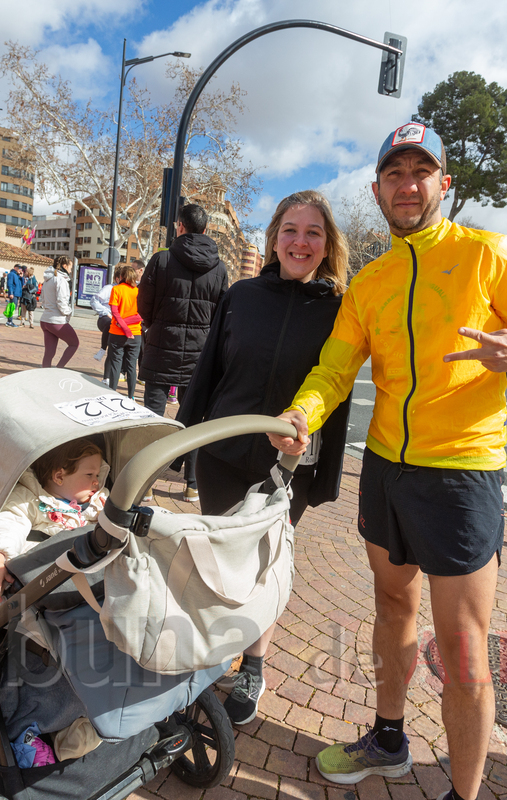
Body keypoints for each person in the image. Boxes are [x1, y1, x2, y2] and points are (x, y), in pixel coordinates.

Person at [267, 123, 507, 800]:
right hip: (386, 470)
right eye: (395, 173)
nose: (407, 184)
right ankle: (388, 739)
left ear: (445, 184)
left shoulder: (487, 255)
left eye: (421, 172)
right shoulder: (372, 280)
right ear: (378, 188)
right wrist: (303, 415)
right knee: (391, 606)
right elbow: (334, 369)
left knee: (465, 647)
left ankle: (464, 794)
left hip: (463, 475)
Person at [178, 190, 352, 724]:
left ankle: (254, 664)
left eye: (313, 232)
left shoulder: (341, 308)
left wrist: (323, 474)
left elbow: (339, 393)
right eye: (290, 230)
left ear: (327, 246)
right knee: (214, 562)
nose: (300, 241)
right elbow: (210, 368)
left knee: (266, 568)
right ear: (275, 238)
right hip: (224, 454)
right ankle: (207, 657)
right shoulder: (241, 295)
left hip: (291, 467)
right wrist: (185, 436)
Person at [138, 203, 229, 503]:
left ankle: (146, 483)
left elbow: (144, 306)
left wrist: (156, 326)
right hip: (199, 355)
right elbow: (221, 314)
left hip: (161, 346)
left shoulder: (161, 260)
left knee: (152, 416)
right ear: (205, 230)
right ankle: (192, 484)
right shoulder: (219, 268)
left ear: (180, 226)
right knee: (195, 419)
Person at [0, 438, 107, 601]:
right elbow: (10, 524)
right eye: (89, 475)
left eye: (97, 475)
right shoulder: (28, 500)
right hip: (46, 579)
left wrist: (109, 516)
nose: (96, 481)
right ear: (59, 476)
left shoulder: (99, 501)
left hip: (94, 575)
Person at [102, 263, 142, 399]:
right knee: (131, 366)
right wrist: (129, 326)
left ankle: (113, 393)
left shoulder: (117, 289)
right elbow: (142, 314)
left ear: (121, 277)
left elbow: (114, 312)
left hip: (117, 333)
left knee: (115, 364)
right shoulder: (139, 292)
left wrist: (123, 325)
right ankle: (131, 396)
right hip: (136, 333)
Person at [39, 256, 79, 368]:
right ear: (65, 266)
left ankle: (45, 375)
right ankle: (59, 369)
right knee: (74, 343)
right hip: (56, 320)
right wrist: (68, 312)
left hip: (45, 319)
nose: (71, 271)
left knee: (49, 353)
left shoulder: (47, 280)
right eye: (71, 268)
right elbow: (61, 302)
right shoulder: (61, 280)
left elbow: (43, 299)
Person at [89, 268, 118, 362]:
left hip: (120, 320)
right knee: (110, 323)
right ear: (117, 279)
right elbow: (94, 301)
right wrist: (106, 312)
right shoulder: (109, 288)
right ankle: (102, 349)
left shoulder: (128, 290)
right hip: (105, 318)